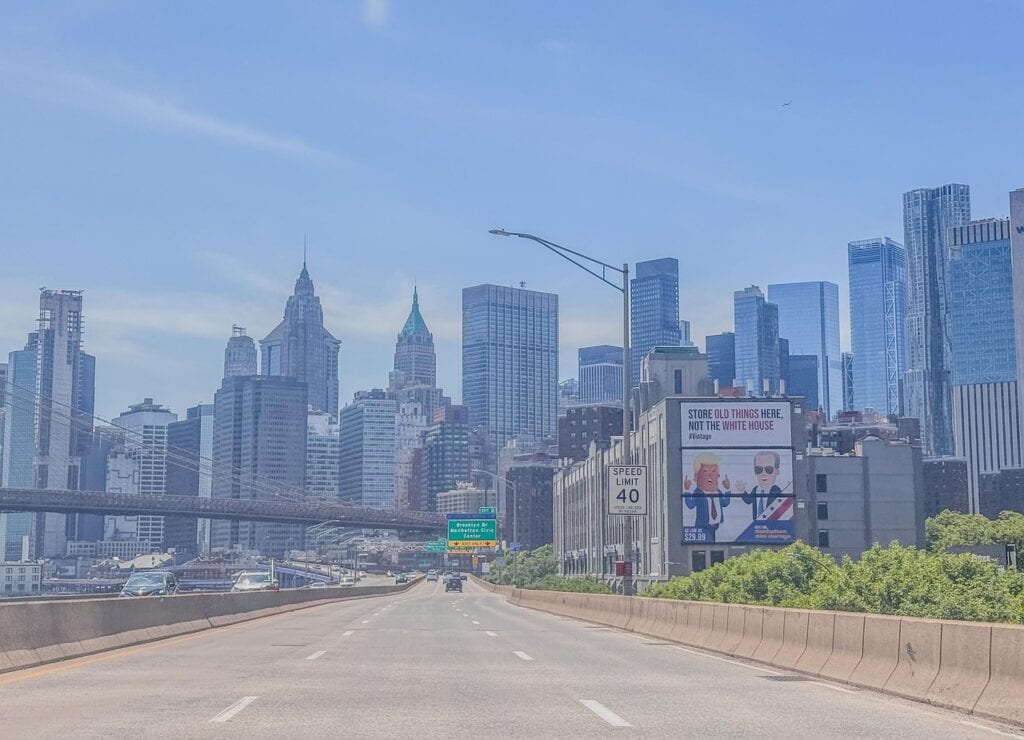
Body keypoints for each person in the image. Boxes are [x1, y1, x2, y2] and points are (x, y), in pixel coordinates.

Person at [683, 453, 731, 542]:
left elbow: (725, 503)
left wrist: (728, 489)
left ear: (718, 475)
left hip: (717, 528)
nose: (710, 475)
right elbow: (690, 505)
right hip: (702, 529)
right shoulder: (698, 493)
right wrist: (687, 490)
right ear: (696, 477)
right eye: (705, 471)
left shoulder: (718, 492)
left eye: (713, 471)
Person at [736, 451, 785, 521]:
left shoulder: (775, 490)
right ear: (755, 472)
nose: (763, 473)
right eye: (759, 469)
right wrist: (742, 491)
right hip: (756, 524)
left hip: (771, 525)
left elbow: (781, 506)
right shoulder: (755, 489)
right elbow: (748, 500)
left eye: (768, 469)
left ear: (777, 471)